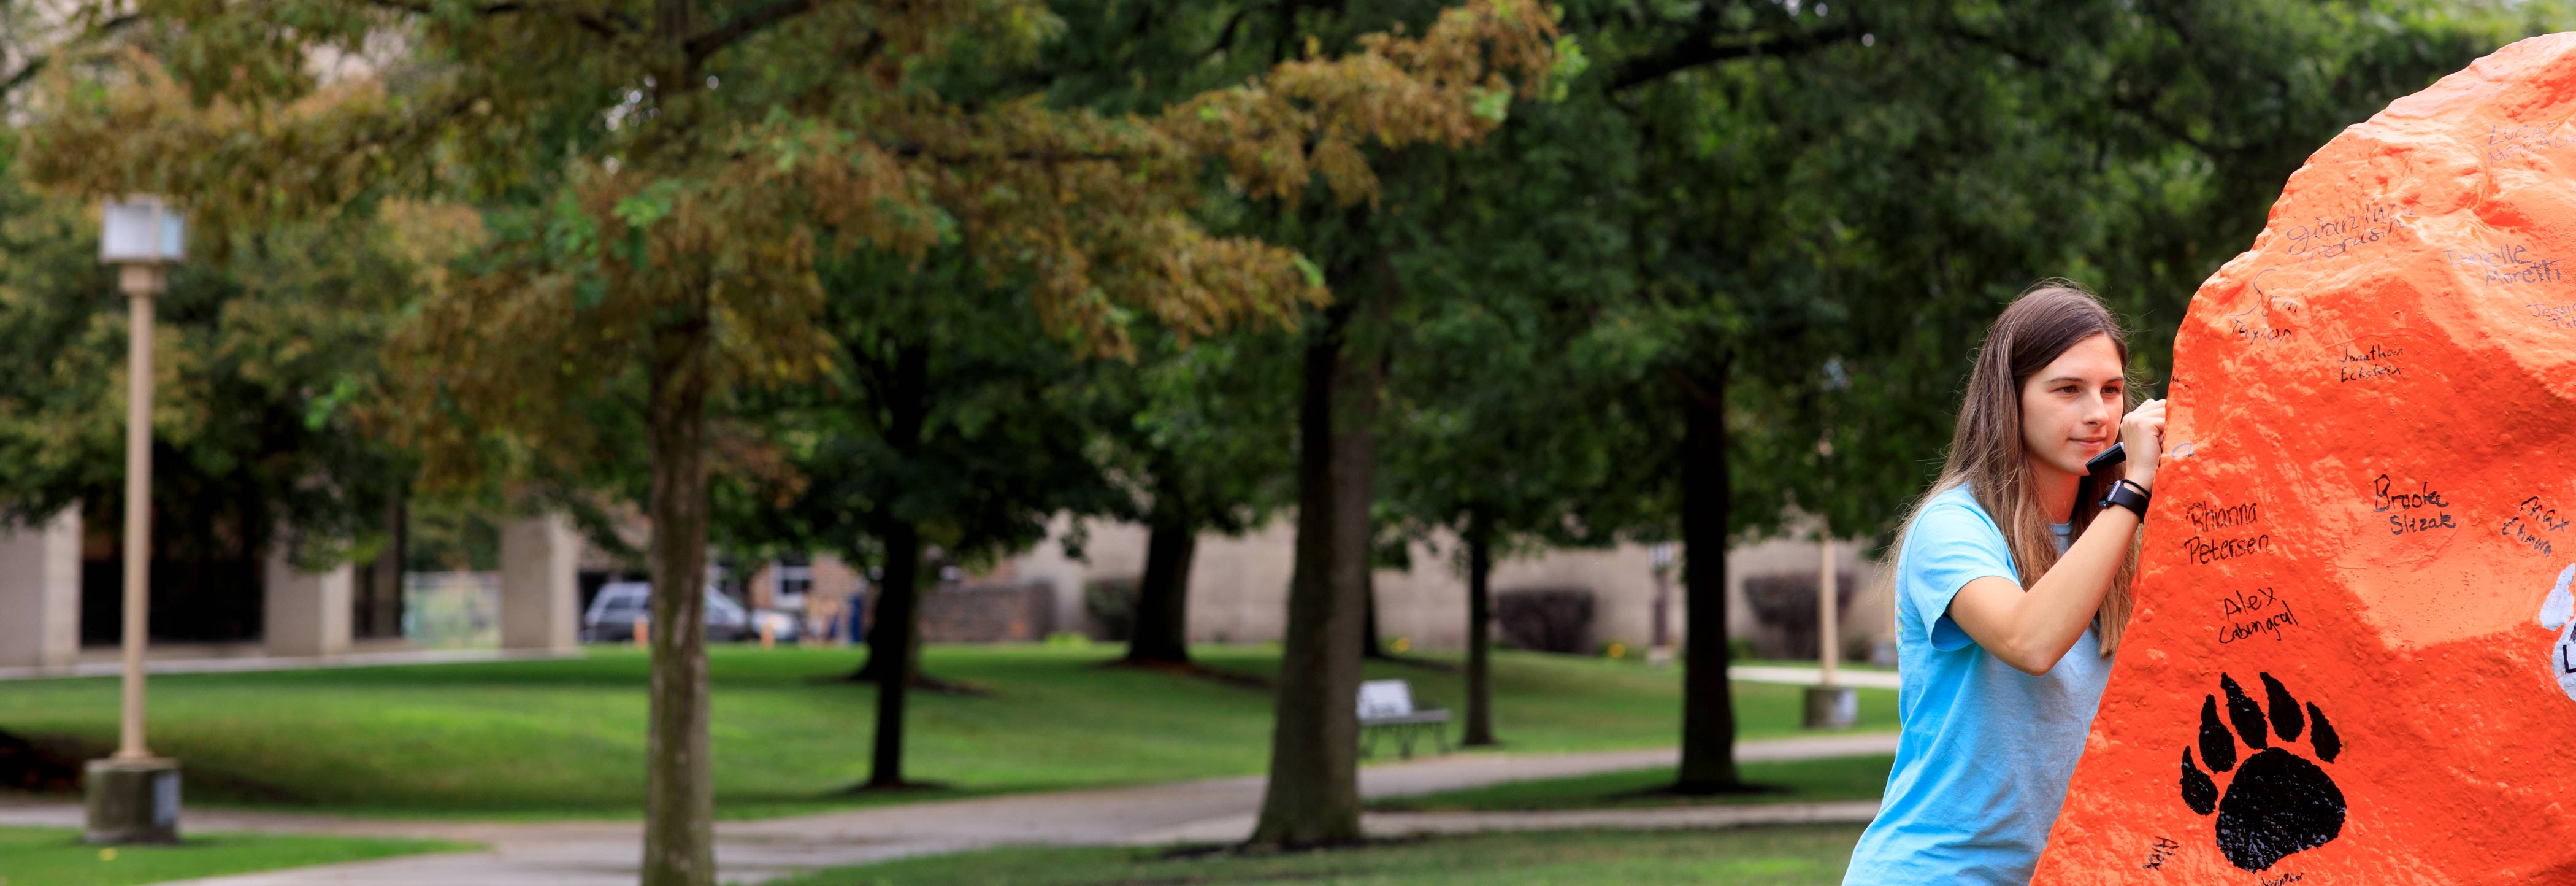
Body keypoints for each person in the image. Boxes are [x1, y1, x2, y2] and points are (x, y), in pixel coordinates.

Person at [1841, 282, 2166, 885]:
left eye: (2112, 390)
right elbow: (2030, 641)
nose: (2098, 412)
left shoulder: (2116, 535)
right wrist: (2136, 488)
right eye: (2068, 389)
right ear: (2009, 398)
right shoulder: (1952, 527)